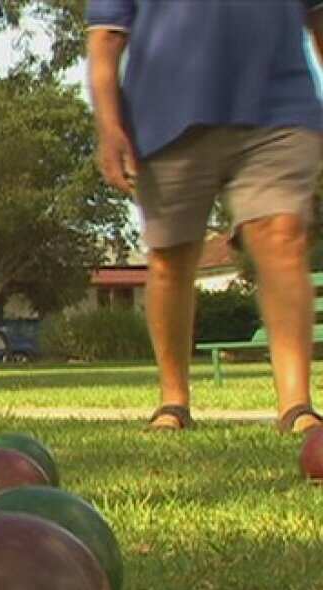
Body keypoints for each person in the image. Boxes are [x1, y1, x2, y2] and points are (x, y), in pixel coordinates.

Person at [87, 1, 323, 432]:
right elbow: (105, 38)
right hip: (166, 112)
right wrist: (109, 126)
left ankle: (297, 406)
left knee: (281, 235)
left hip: (280, 107)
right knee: (171, 258)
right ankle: (173, 401)